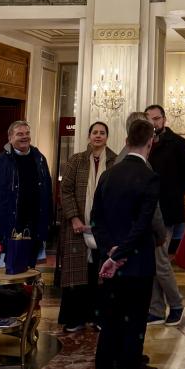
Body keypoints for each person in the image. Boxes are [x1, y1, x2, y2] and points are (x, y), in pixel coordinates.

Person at [91, 117, 163, 369]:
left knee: (108, 329)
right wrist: (122, 253)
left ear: (126, 141)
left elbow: (96, 219)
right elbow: (143, 224)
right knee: (134, 331)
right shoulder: (148, 177)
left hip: (110, 266)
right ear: (150, 143)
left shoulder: (109, 174)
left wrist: (110, 251)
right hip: (137, 267)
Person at [145, 104, 185, 326]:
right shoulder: (145, 143)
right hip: (147, 210)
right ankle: (156, 309)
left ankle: (176, 304)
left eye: (156, 118)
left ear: (164, 119)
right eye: (149, 119)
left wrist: (174, 193)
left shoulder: (177, 144)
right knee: (152, 261)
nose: (153, 123)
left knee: (160, 261)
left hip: (166, 210)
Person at [57, 121, 110, 333]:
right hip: (77, 226)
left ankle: (99, 317)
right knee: (77, 274)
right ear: (89, 136)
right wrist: (74, 218)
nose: (98, 135)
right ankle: (75, 318)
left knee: (101, 273)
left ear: (107, 137)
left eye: (102, 133)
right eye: (94, 132)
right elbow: (65, 190)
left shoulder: (115, 161)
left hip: (104, 228)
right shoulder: (76, 160)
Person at [0, 119, 52, 261]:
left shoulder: (40, 159)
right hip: (8, 224)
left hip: (33, 224)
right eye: (20, 134)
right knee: (8, 265)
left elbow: (48, 191)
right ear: (10, 138)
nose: (25, 137)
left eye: (27, 133)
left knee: (29, 266)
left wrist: (48, 222)